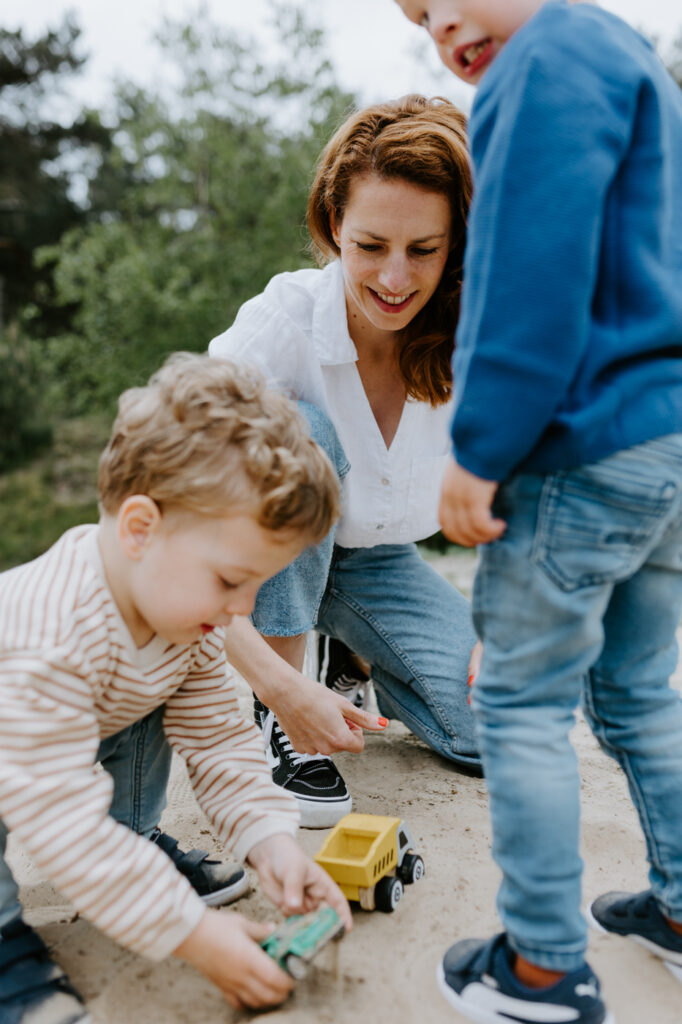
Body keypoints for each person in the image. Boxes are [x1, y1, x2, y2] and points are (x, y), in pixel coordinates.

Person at [392, 2, 682, 1023]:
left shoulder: (542, 62)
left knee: (517, 704)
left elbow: (528, 272)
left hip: (582, 445)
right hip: (664, 441)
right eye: (417, 17)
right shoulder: (622, 56)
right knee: (640, 691)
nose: (440, 25)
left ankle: (543, 967)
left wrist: (480, 445)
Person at [0, 353, 351, 1024]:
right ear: (139, 529)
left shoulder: (180, 612)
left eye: (257, 584)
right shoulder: (48, 639)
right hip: (17, 743)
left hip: (69, 728)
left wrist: (271, 842)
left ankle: (131, 840)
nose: (241, 608)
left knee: (152, 690)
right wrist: (191, 935)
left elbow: (221, 739)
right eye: (229, 580)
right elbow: (60, 823)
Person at [209, 94, 483, 829]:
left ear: (456, 243)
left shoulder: (479, 333)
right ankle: (285, 710)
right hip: (271, 551)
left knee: (489, 734)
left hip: (378, 560)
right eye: (370, 246)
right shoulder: (281, 323)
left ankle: (349, 660)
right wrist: (276, 687)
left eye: (423, 250)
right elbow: (172, 504)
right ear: (334, 225)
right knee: (297, 433)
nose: (395, 279)